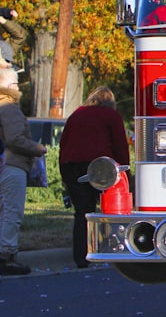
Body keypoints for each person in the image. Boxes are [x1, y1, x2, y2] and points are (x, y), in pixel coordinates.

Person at [58, 86, 130, 269]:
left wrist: (64, 174)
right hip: (102, 166)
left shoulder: (77, 114)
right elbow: (120, 146)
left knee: (82, 212)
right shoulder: (111, 116)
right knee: (110, 209)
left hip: (73, 165)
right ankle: (111, 249)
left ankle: (81, 257)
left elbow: (64, 143)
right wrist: (125, 174)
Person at [0, 67, 46, 275]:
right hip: (13, 165)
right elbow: (15, 139)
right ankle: (7, 255)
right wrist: (38, 149)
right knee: (12, 211)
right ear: (10, 86)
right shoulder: (9, 107)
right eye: (17, 84)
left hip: (4, 164)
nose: (19, 88)